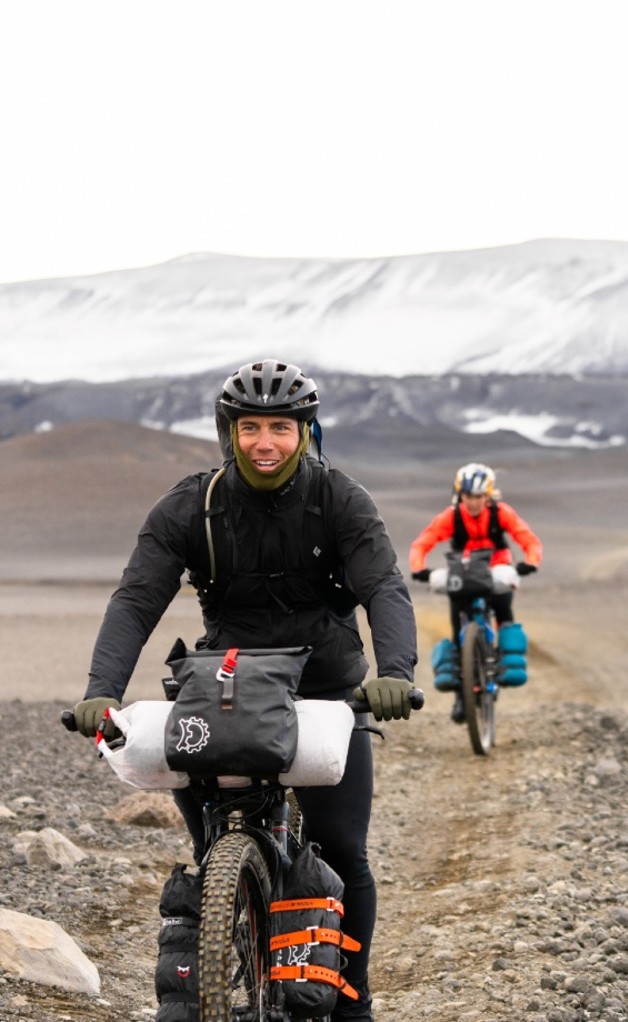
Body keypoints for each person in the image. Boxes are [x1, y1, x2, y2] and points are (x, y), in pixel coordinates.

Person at [72, 359, 418, 1022]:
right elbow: (137, 598)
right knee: (212, 848)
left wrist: (395, 674)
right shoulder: (192, 505)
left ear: (306, 432)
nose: (266, 442)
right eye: (251, 426)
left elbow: (384, 589)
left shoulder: (341, 499)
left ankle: (353, 1000)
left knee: (342, 851)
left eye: (281, 428)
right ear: (227, 433)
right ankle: (232, 925)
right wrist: (100, 690)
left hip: (325, 694)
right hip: (226, 689)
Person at [409, 462, 543, 721]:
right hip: (464, 575)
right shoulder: (451, 517)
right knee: (458, 629)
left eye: (479, 496)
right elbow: (421, 543)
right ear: (461, 495)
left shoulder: (501, 513)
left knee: (504, 613)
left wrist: (530, 562)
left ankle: (506, 662)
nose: (474, 502)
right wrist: (419, 569)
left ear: (488, 495)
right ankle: (462, 695)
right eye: (469, 496)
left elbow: (528, 538)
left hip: (497, 572)